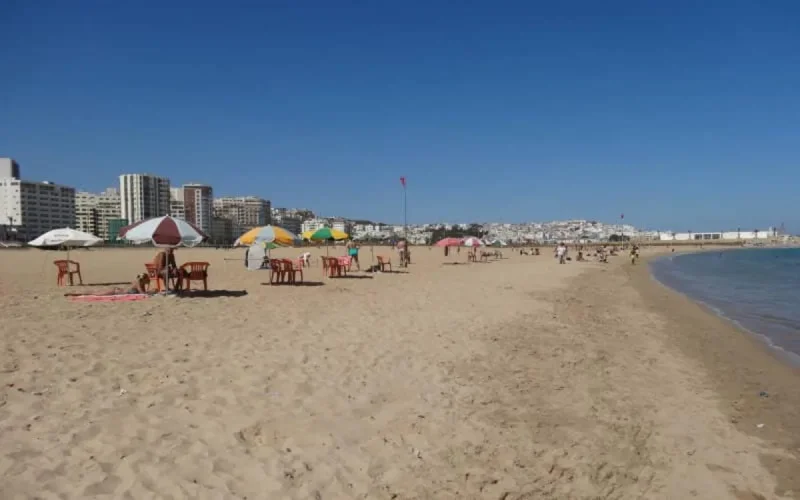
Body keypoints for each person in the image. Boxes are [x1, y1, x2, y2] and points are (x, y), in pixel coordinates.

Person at [65, 274, 152, 296]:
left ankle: (74, 292)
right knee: (94, 293)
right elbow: (142, 294)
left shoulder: (138, 282)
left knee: (94, 292)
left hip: (117, 290)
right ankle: (74, 293)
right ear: (144, 279)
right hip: (115, 291)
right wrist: (152, 292)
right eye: (147, 280)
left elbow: (143, 291)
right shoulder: (138, 283)